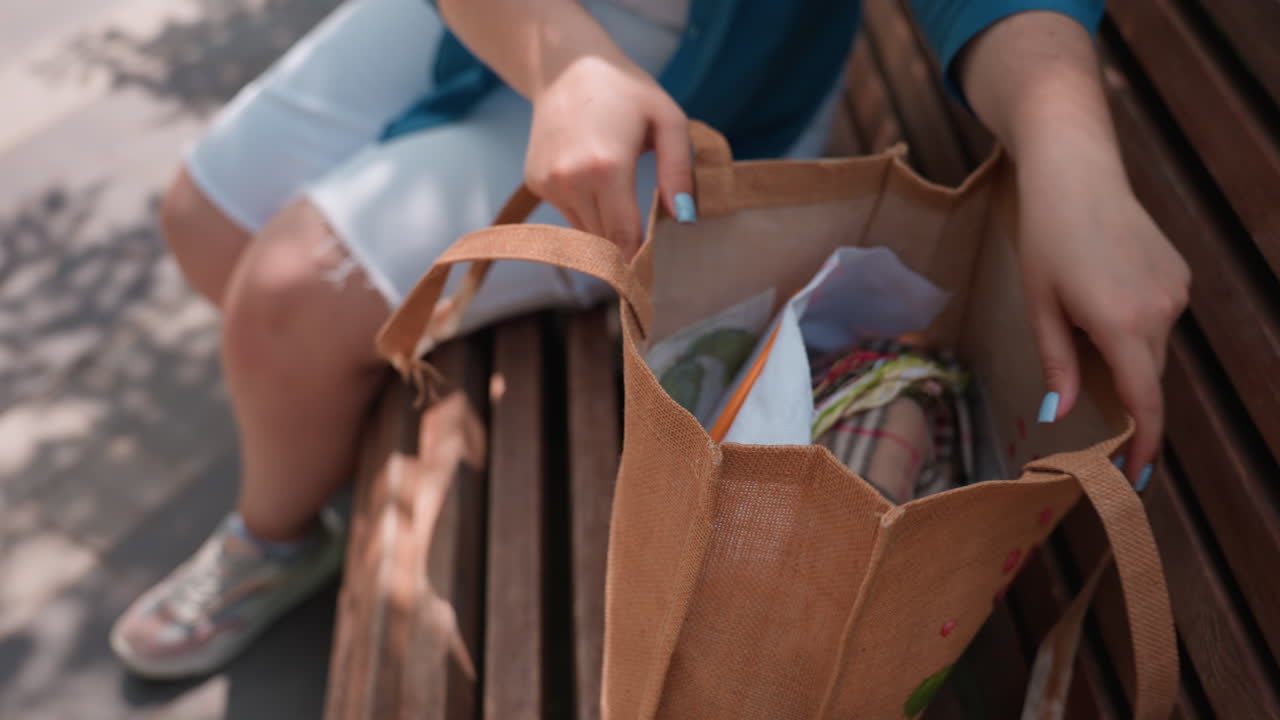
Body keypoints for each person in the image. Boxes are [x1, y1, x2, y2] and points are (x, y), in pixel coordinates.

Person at [110, 0, 1189, 679]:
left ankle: (279, 531)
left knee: (284, 301)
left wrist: (1068, 155)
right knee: (203, 220)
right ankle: (320, 420)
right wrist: (559, 53)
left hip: (695, 82)